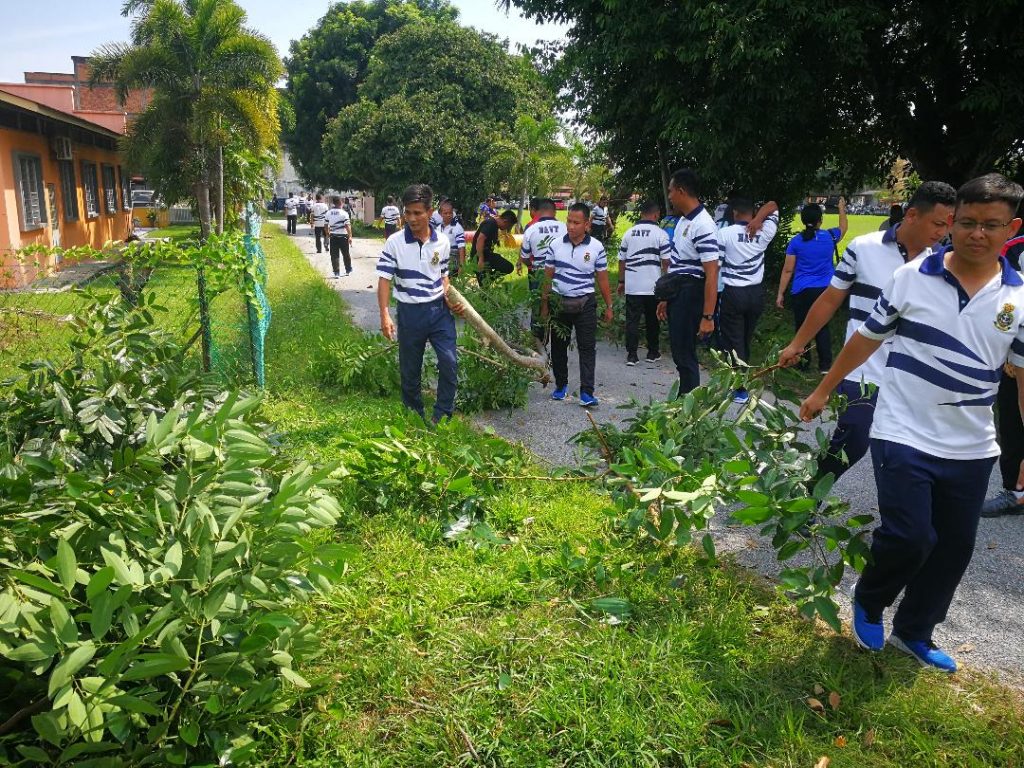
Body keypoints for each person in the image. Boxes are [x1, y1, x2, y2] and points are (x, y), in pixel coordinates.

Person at [799, 173, 1024, 672]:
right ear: (953, 223)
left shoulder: (1019, 300)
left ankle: (915, 631)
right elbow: (865, 340)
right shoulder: (911, 277)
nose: (976, 234)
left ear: (1012, 228)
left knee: (953, 547)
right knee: (911, 535)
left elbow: (1023, 380)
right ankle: (870, 598)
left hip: (971, 443)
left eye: (991, 225)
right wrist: (823, 388)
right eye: (966, 222)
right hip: (901, 427)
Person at [779, 181, 956, 482]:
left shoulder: (943, 263)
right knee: (852, 441)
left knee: (898, 459)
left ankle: (897, 525)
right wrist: (798, 343)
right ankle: (806, 501)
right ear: (912, 215)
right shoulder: (863, 248)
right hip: (863, 370)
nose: (943, 232)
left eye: (948, 225)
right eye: (938, 223)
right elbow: (830, 299)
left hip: (913, 377)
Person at [376, 183, 464, 424]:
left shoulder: (443, 242)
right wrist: (385, 314)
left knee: (449, 363)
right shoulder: (394, 242)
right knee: (410, 370)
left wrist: (449, 297)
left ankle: (442, 416)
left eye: (417, 213)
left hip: (439, 312)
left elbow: (443, 275)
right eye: (408, 212)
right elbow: (384, 280)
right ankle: (414, 416)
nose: (411, 218)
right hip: (410, 313)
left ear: (429, 211)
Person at [541, 202, 614, 407]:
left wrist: (609, 306)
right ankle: (561, 386)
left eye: (576, 222)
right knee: (558, 347)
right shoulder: (555, 245)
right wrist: (544, 304)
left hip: (586, 304)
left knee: (587, 348)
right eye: (569, 221)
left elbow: (603, 279)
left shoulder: (596, 248)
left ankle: (587, 392)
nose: (571, 226)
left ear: (587, 224)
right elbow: (548, 277)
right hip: (559, 302)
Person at [656, 168, 720, 395]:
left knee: (685, 354)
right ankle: (683, 407)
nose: (670, 196)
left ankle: (689, 410)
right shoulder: (684, 222)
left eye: (671, 191)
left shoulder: (703, 225)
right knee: (679, 351)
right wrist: (666, 298)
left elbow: (712, 273)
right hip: (678, 292)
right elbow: (676, 263)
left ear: (681, 191)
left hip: (692, 293)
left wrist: (708, 316)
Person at [717, 195, 780, 404]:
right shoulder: (764, 231)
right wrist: (759, 219)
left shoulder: (724, 233)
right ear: (752, 213)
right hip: (756, 294)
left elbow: (715, 264)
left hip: (734, 293)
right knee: (744, 338)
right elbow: (772, 205)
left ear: (734, 213)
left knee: (733, 342)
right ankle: (741, 380)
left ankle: (740, 388)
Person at [776, 198, 848, 373]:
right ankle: (825, 366)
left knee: (802, 327)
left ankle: (803, 363)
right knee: (822, 326)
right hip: (825, 290)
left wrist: (780, 293)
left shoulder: (796, 242)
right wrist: (841, 209)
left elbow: (787, 270)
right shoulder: (830, 237)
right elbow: (844, 228)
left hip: (801, 290)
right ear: (820, 220)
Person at [980, 227, 1024, 517]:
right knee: (1012, 422)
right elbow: (1002, 302)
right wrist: (1008, 352)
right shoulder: (1015, 249)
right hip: (1018, 353)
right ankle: (1015, 491)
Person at [618, 199, 671, 365]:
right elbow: (666, 262)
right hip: (653, 287)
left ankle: (632, 355)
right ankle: (652, 353)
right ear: (656, 215)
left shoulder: (629, 232)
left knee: (632, 320)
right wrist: (666, 283)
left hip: (633, 286)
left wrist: (621, 281)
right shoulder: (661, 234)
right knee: (652, 320)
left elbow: (621, 260)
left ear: (641, 214)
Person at [518, 198, 567, 340]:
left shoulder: (531, 229)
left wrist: (531, 266)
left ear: (538, 212)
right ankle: (558, 343)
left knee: (538, 310)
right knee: (558, 310)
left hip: (538, 274)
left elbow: (525, 256)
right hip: (560, 274)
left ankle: (538, 346)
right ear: (555, 211)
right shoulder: (565, 227)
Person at [471, 210, 517, 285]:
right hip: (479, 256)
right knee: (485, 288)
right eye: (508, 227)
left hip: (487, 256)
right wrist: (480, 259)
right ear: (505, 221)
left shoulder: (494, 224)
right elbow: (480, 239)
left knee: (508, 267)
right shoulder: (491, 223)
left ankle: (488, 279)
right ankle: (486, 280)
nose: (506, 229)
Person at [325, 195, 353, 278]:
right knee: (346, 254)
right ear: (340, 202)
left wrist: (327, 234)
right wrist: (350, 236)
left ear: (334, 203)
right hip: (343, 237)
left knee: (334, 255)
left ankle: (336, 272)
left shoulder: (328, 213)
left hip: (333, 236)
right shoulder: (344, 213)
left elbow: (326, 225)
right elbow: (347, 226)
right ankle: (348, 270)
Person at [436, 200, 466, 276]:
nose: (448, 215)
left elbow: (461, 247)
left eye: (450, 213)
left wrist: (462, 266)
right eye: (445, 213)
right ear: (441, 214)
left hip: (453, 263)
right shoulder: (438, 228)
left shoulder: (457, 227)